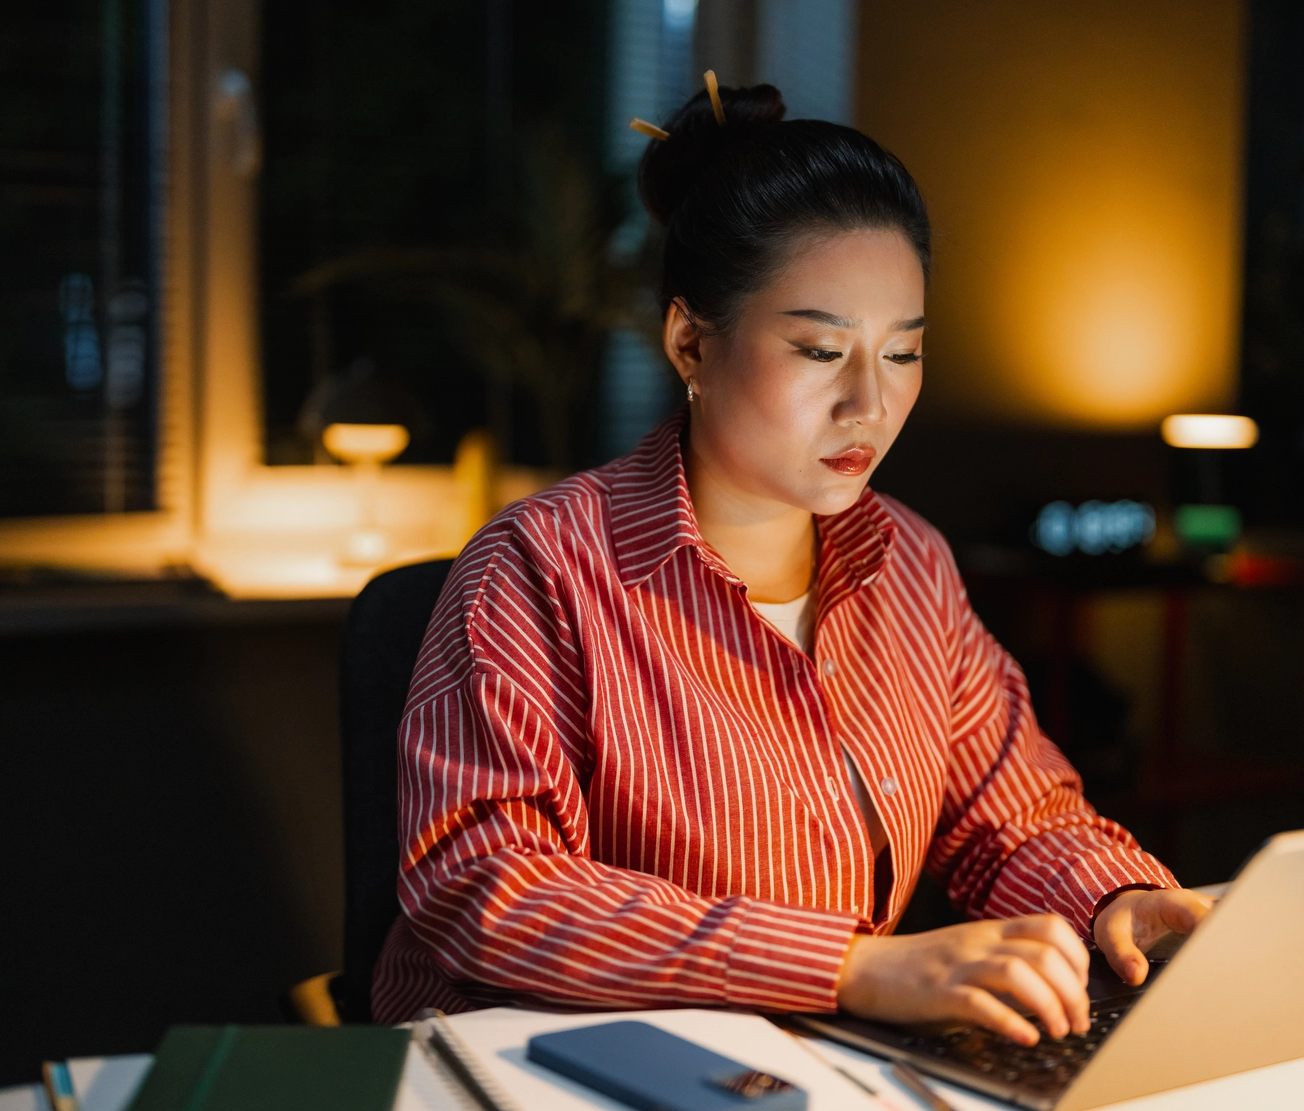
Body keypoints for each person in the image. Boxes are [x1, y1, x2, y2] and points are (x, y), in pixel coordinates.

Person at [372, 81, 1212, 1045]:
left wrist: (1117, 893)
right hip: (549, 1067)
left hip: (815, 1065)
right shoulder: (540, 567)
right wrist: (845, 967)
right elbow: (488, 886)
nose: (870, 404)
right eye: (820, 350)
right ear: (690, 340)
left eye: (903, 354)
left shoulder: (910, 565)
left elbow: (1010, 811)